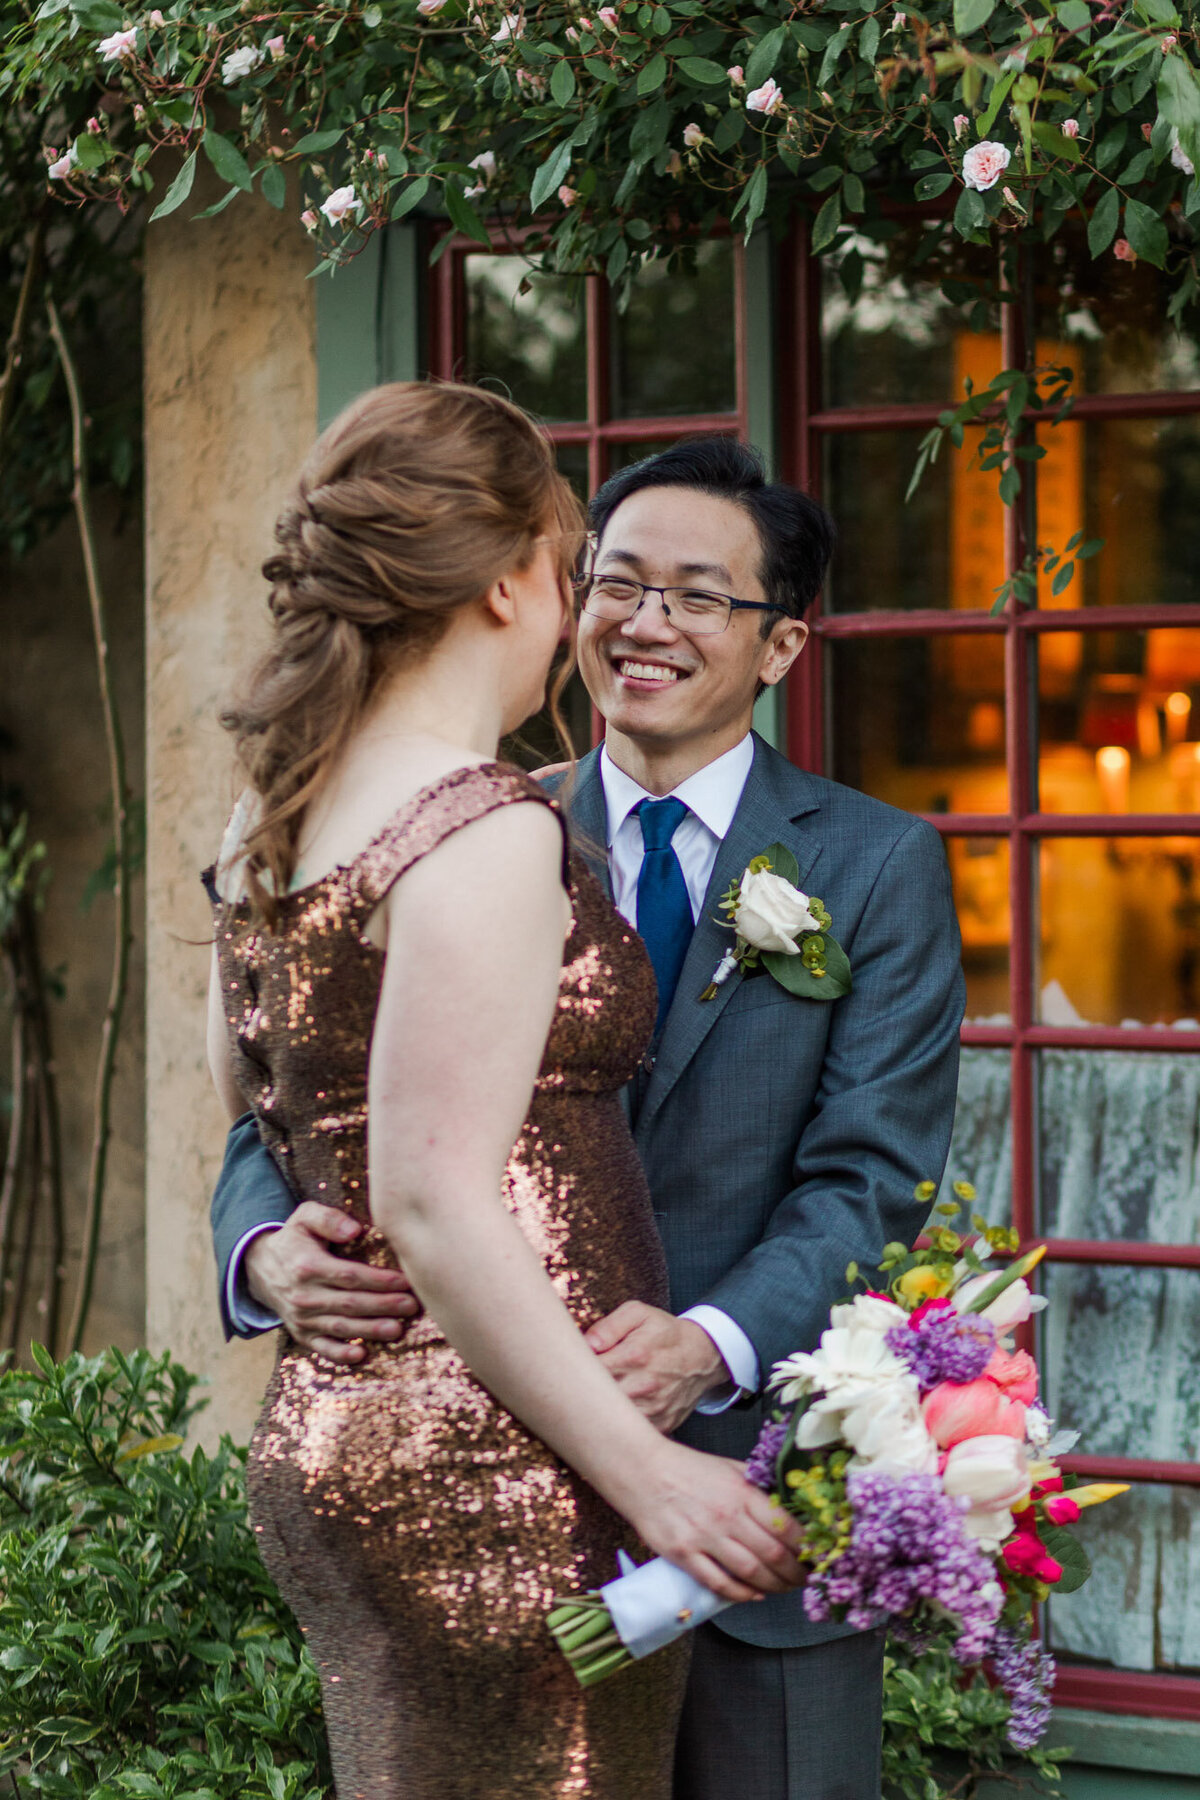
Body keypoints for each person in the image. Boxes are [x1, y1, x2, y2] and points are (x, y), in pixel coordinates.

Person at [212, 434, 966, 1799]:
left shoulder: (877, 864)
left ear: (783, 645)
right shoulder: (471, 816)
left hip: (741, 1508)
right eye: (615, 580)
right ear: (554, 592)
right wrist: (265, 1255)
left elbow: (873, 1178)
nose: (646, 622)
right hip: (488, 1482)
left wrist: (709, 1341)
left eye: (700, 595)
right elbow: (295, 1093)